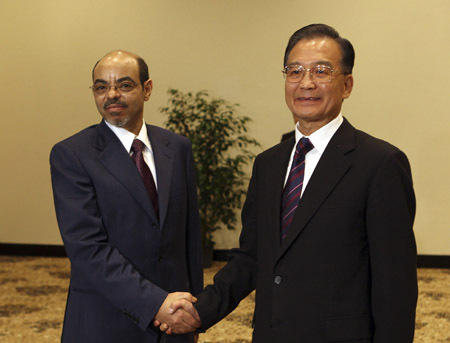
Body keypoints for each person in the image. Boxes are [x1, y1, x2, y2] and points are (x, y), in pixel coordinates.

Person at [162, 24, 418, 342]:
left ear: (347, 84)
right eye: (294, 71)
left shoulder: (380, 163)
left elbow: (395, 284)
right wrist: (201, 311)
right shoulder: (268, 164)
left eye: (321, 71)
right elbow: (251, 256)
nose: (306, 83)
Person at [50, 50, 203, 343]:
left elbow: (189, 236)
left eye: (124, 85)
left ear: (147, 89)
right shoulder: (72, 155)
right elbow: (87, 248)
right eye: (101, 87)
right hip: (105, 320)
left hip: (175, 322)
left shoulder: (177, 147)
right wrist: (155, 303)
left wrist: (194, 312)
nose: (112, 95)